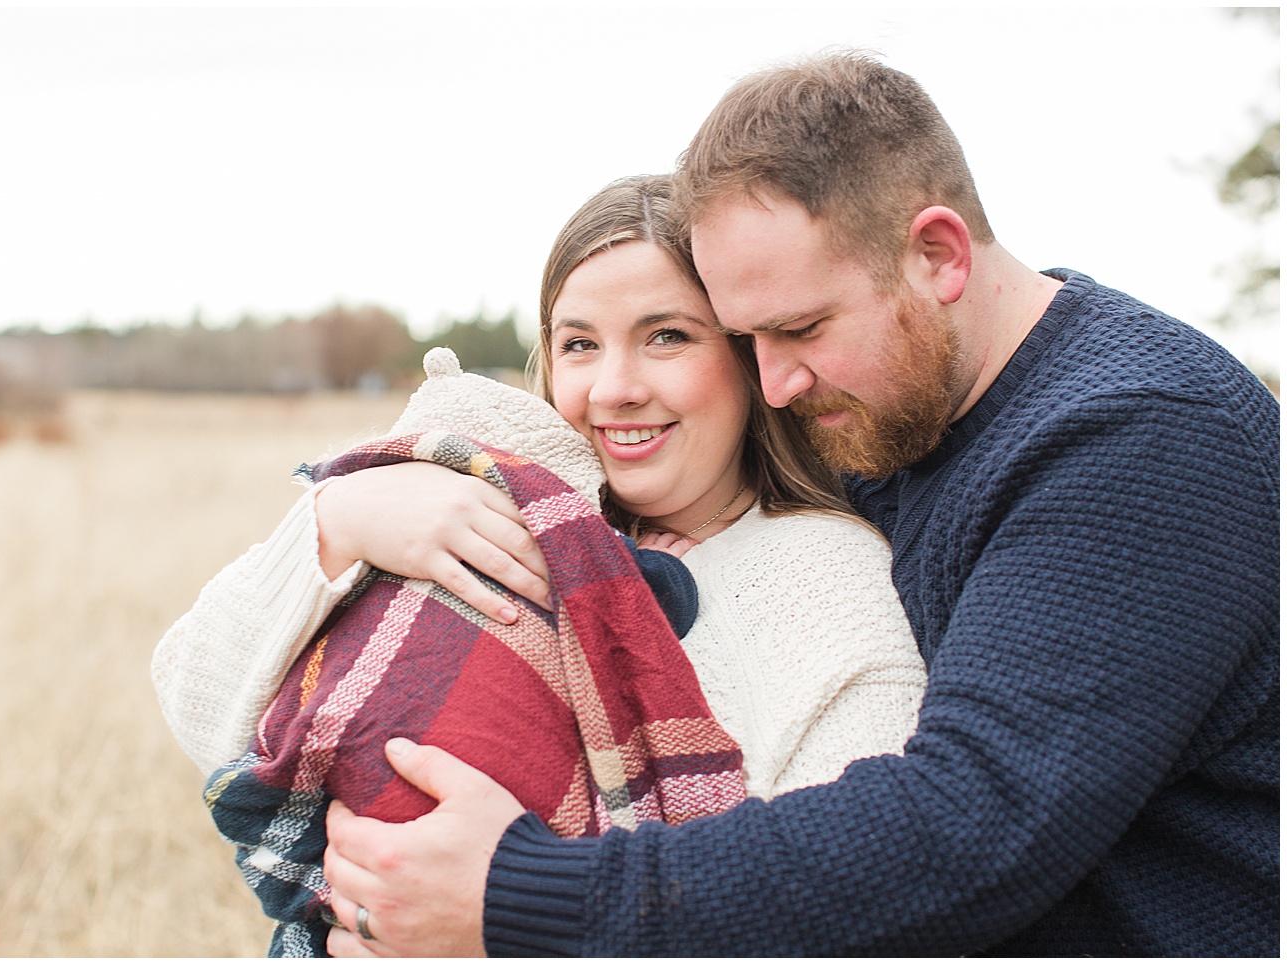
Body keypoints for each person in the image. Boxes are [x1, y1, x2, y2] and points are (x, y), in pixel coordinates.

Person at [315, 52, 1280, 958]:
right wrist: (359, 506)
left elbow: (973, 827)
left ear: (939, 255)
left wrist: (524, 894)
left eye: (799, 328)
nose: (773, 385)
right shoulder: (896, 403)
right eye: (746, 341)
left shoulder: (1140, 438)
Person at [152, 174, 928, 948]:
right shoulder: (480, 507)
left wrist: (502, 919)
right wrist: (337, 522)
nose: (614, 388)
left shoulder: (835, 581)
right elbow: (195, 701)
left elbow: (843, 909)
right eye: (580, 343)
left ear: (748, 354)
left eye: (668, 335)